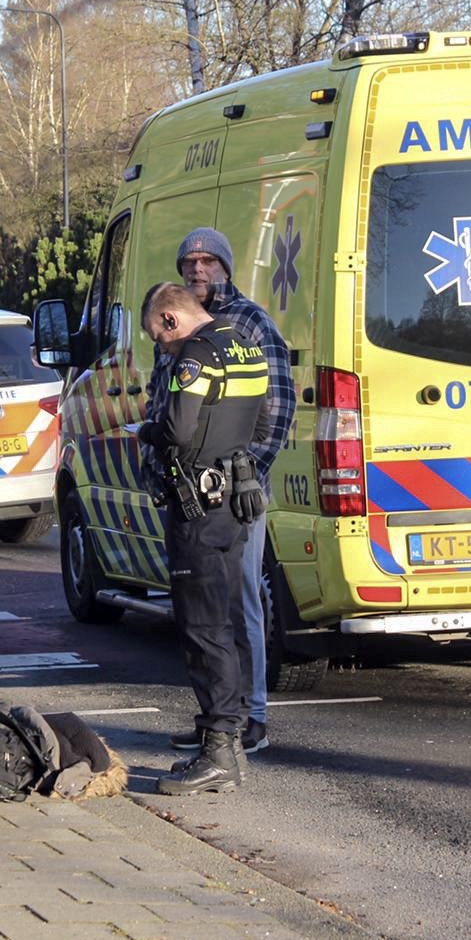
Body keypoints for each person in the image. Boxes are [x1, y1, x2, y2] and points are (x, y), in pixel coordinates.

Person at [153, 227, 297, 756]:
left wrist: (242, 473)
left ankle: (251, 716)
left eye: (208, 260)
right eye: (189, 262)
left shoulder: (252, 324)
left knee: (239, 602)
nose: (198, 269)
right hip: (188, 492)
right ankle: (217, 718)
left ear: (226, 267)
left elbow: (278, 411)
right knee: (201, 611)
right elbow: (163, 404)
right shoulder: (180, 324)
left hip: (236, 495)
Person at [137, 284, 269, 795]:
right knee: (228, 620)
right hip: (236, 500)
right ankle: (228, 744)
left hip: (199, 505)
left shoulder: (197, 354)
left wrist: (147, 431)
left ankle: (218, 752)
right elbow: (261, 423)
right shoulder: (245, 344)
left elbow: (177, 429)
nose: (164, 349)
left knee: (202, 628)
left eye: (160, 338)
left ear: (171, 319)